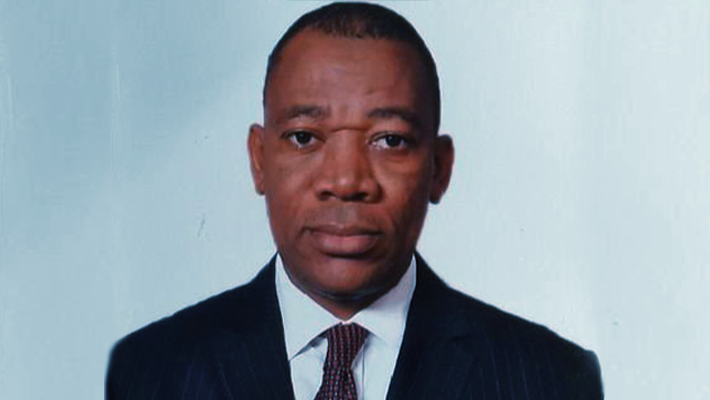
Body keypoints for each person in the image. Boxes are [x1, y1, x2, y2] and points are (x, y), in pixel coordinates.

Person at [106, 2, 603, 399]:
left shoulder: (551, 378)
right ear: (258, 159)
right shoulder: (149, 372)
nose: (345, 182)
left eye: (390, 140)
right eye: (304, 137)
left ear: (439, 168)